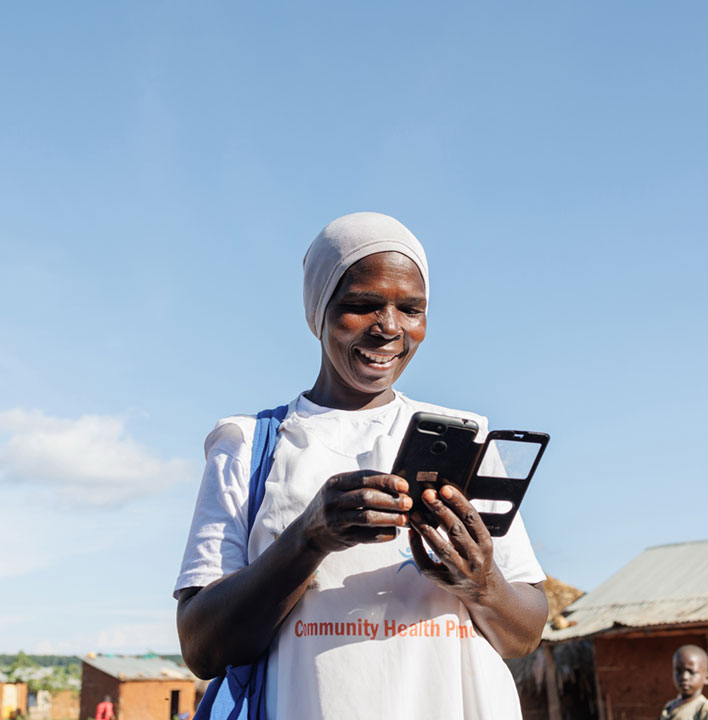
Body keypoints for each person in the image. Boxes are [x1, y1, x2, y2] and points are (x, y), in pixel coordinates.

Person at [174, 212, 549, 719]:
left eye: (411, 309)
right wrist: (309, 537)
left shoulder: (469, 438)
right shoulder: (248, 445)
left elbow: (523, 635)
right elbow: (202, 648)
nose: (390, 328)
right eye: (362, 305)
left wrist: (481, 582)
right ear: (318, 310)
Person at [659, 645, 708, 720]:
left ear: (707, 677)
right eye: (679, 671)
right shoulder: (669, 707)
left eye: (691, 672)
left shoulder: (704, 707)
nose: (684, 677)